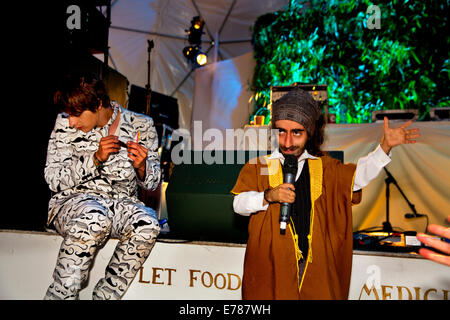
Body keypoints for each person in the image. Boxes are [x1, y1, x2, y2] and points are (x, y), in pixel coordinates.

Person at [231, 87, 420, 300]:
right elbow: (238, 204)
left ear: (309, 133)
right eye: (281, 131)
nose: (287, 142)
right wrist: (267, 196)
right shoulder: (259, 166)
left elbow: (358, 177)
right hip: (273, 268)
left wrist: (384, 147)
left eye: (296, 132)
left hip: (315, 270)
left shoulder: (326, 168)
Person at [44, 74, 161, 300]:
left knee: (147, 223)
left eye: (76, 114)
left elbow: (154, 181)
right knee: (94, 218)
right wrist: (95, 158)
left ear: (98, 105)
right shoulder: (64, 123)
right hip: (73, 202)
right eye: (69, 114)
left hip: (120, 204)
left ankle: (105, 297)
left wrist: (142, 168)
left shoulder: (142, 125)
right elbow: (53, 178)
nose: (72, 121)